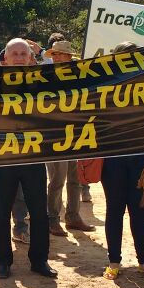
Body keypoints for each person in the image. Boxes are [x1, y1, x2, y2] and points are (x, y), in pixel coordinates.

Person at [0, 38, 57, 280]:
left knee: (39, 212)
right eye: (13, 53)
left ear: (30, 58)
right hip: (2, 157)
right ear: (4, 58)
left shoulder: (41, 83)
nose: (18, 57)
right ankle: (3, 262)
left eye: (22, 54)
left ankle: (39, 260)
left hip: (33, 157)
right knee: (1, 210)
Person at [100, 42, 144, 283]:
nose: (129, 61)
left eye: (133, 57)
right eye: (124, 57)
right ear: (115, 59)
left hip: (140, 158)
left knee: (139, 210)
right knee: (114, 210)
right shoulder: (105, 83)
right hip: (113, 159)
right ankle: (114, 261)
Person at [44, 40, 93, 237]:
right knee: (58, 178)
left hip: (75, 132)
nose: (55, 57)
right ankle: (53, 219)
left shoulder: (80, 75)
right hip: (55, 133)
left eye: (59, 54)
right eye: (54, 54)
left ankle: (73, 216)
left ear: (68, 57)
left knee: (76, 178)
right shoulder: (47, 77)